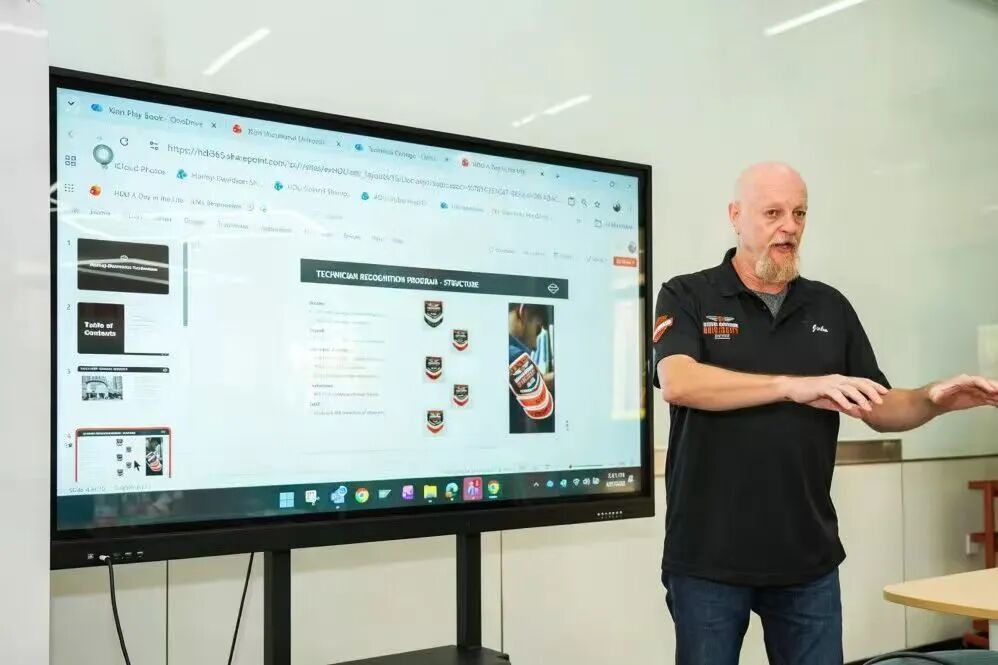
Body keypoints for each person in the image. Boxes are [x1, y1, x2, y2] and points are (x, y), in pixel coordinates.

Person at [653, 162, 998, 665]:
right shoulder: (688, 294)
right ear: (735, 216)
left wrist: (932, 399)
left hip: (806, 559)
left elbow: (879, 405)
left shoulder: (829, 307)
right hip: (708, 557)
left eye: (799, 214)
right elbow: (679, 382)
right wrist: (792, 386)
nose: (789, 227)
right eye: (773, 213)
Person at [508, 303, 555, 433]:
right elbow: (545, 418)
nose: (535, 346)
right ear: (524, 313)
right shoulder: (514, 356)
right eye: (537, 330)